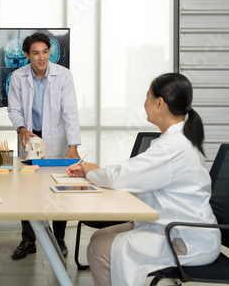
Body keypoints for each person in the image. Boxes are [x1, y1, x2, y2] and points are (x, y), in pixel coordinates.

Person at [66, 73, 221, 286]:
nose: (144, 103)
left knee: (97, 249)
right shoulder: (175, 140)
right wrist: (94, 171)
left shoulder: (173, 147)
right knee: (98, 237)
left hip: (185, 239)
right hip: (174, 226)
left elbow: (124, 176)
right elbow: (131, 173)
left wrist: (92, 171)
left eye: (147, 97)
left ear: (159, 104)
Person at [7, 32, 81, 260]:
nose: (41, 58)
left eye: (45, 52)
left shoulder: (63, 75)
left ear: (50, 52)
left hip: (56, 138)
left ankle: (58, 239)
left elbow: (70, 111)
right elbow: (14, 109)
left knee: (60, 188)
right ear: (27, 55)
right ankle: (28, 240)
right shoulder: (18, 77)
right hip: (29, 137)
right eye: (36, 53)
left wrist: (73, 144)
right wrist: (21, 128)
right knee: (27, 189)